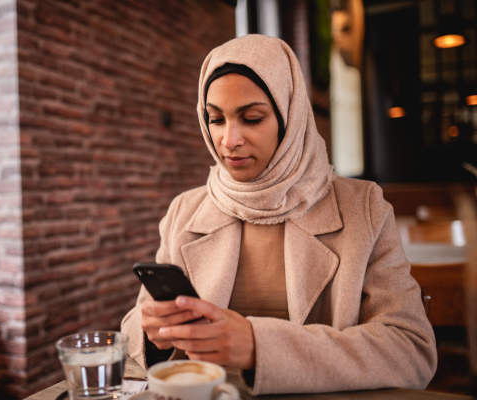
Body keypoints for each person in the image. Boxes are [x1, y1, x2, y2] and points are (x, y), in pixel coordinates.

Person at [121, 34, 437, 395]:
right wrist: (152, 335)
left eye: (252, 118)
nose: (229, 140)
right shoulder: (185, 211)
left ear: (290, 116)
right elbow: (136, 324)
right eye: (215, 119)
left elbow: (411, 350)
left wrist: (259, 347)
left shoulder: (362, 208)